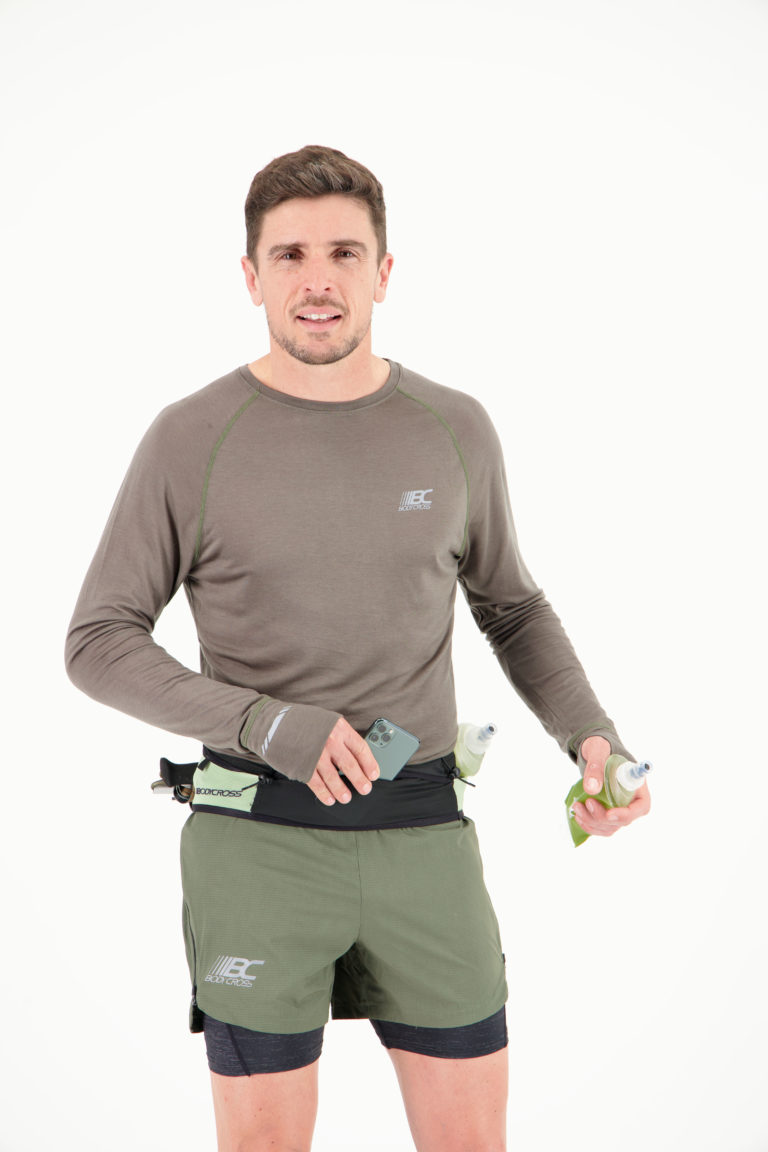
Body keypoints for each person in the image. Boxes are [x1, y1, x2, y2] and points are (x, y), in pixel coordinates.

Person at [65, 144, 650, 1152]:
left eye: (344, 252)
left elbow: (512, 608)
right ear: (250, 277)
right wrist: (265, 724)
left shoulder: (454, 428)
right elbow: (97, 640)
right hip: (257, 846)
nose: (318, 279)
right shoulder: (190, 437)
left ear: (384, 272)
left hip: (424, 838)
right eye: (288, 255)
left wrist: (593, 740)